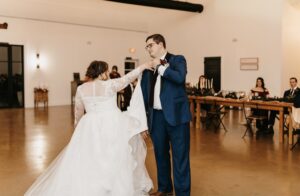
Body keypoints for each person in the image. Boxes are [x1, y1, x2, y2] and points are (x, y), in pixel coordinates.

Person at [24, 60, 154, 196]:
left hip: (89, 124)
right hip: (112, 123)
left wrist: (79, 131)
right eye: (106, 70)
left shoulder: (81, 88)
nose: (108, 73)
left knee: (91, 158)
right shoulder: (109, 85)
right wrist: (143, 66)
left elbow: (78, 112)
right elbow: (128, 78)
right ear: (102, 72)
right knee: (113, 157)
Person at [141, 34, 191, 196]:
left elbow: (179, 77)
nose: (148, 49)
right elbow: (144, 95)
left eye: (150, 45)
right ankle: (164, 188)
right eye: (147, 46)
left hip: (177, 117)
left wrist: (161, 66)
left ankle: (182, 193)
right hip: (157, 118)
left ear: (161, 44)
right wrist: (144, 121)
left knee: (180, 158)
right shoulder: (149, 68)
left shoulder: (177, 60)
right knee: (160, 155)